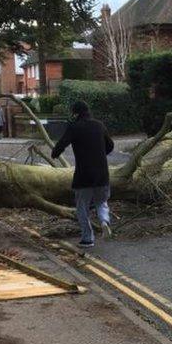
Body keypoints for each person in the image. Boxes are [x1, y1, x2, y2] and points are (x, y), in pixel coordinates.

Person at [51, 101, 114, 248]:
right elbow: (110, 145)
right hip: (102, 174)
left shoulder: (74, 127)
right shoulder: (99, 125)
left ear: (75, 113)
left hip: (83, 176)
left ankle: (87, 238)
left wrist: (54, 153)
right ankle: (104, 221)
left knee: (82, 208)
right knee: (101, 202)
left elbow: (61, 144)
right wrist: (98, 154)